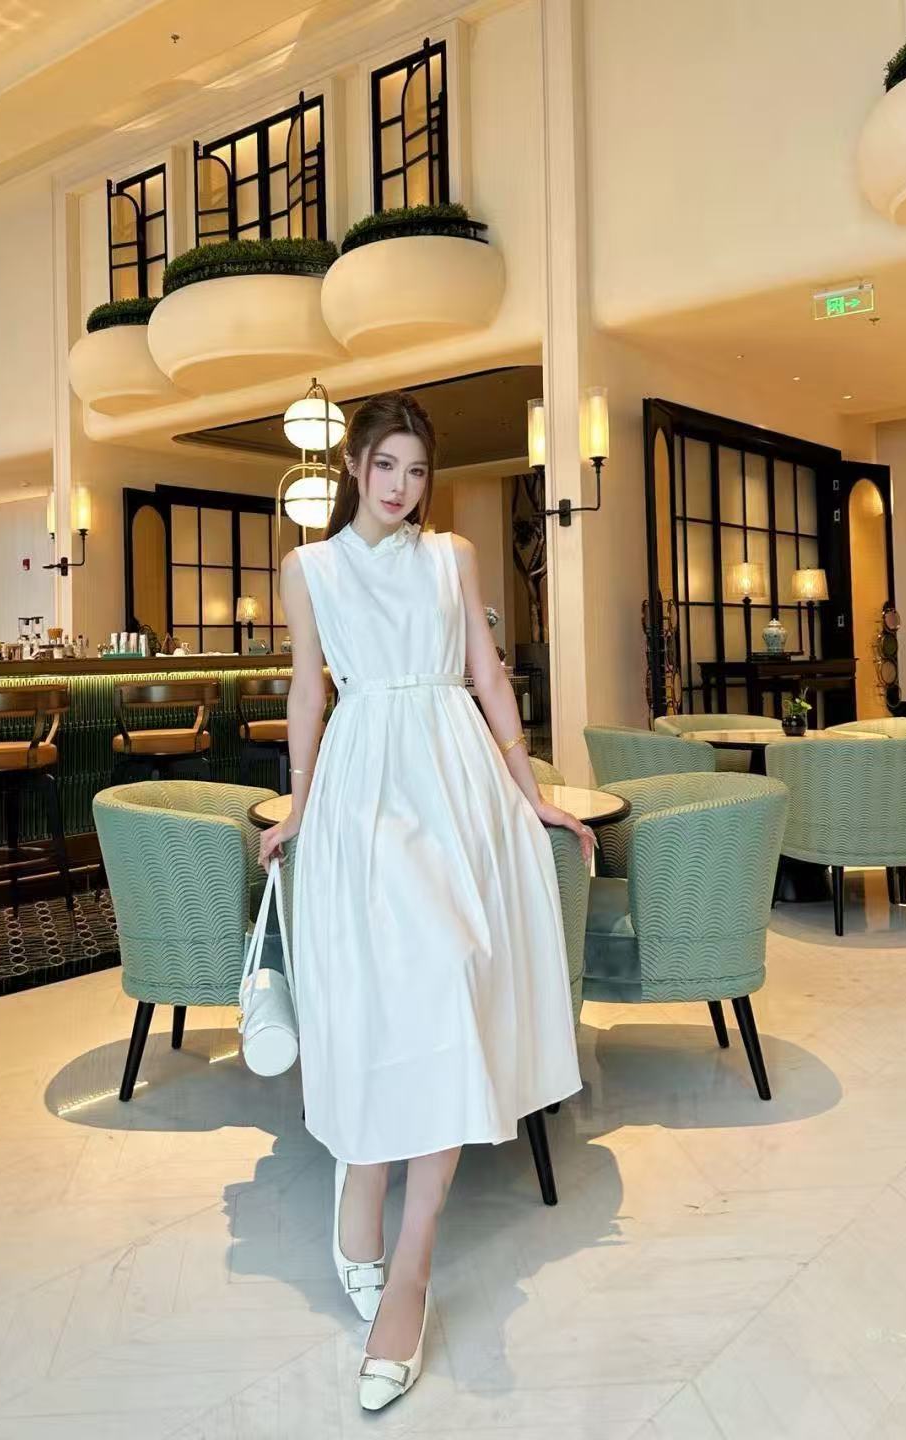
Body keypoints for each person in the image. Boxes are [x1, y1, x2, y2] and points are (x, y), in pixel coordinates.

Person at [258, 390, 591, 1411]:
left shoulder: (454, 557)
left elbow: (489, 678)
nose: (401, 486)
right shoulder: (310, 569)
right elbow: (308, 688)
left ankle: (408, 1270)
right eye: (385, 466)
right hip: (366, 786)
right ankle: (364, 1176)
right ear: (353, 466)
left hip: (457, 784)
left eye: (415, 469)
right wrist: (302, 805)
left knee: (450, 980)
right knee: (379, 996)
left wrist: (530, 793)